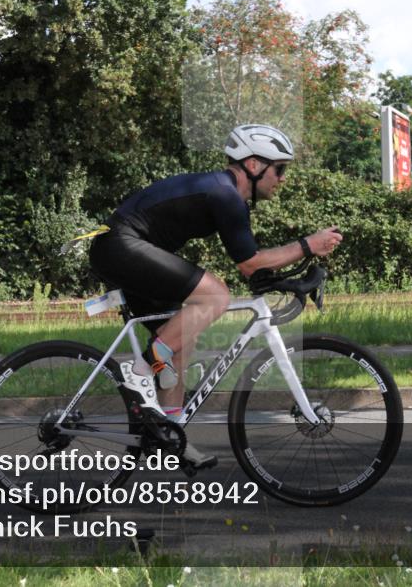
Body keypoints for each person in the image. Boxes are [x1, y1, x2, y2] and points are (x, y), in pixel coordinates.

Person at [88, 124, 343, 469]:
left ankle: (169, 434)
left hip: (126, 248)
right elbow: (250, 264)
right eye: (280, 169)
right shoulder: (224, 195)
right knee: (216, 295)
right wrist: (307, 245)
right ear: (253, 165)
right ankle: (142, 369)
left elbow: (254, 267)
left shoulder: (228, 196)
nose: (282, 179)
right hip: (120, 245)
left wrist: (293, 275)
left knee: (181, 339)